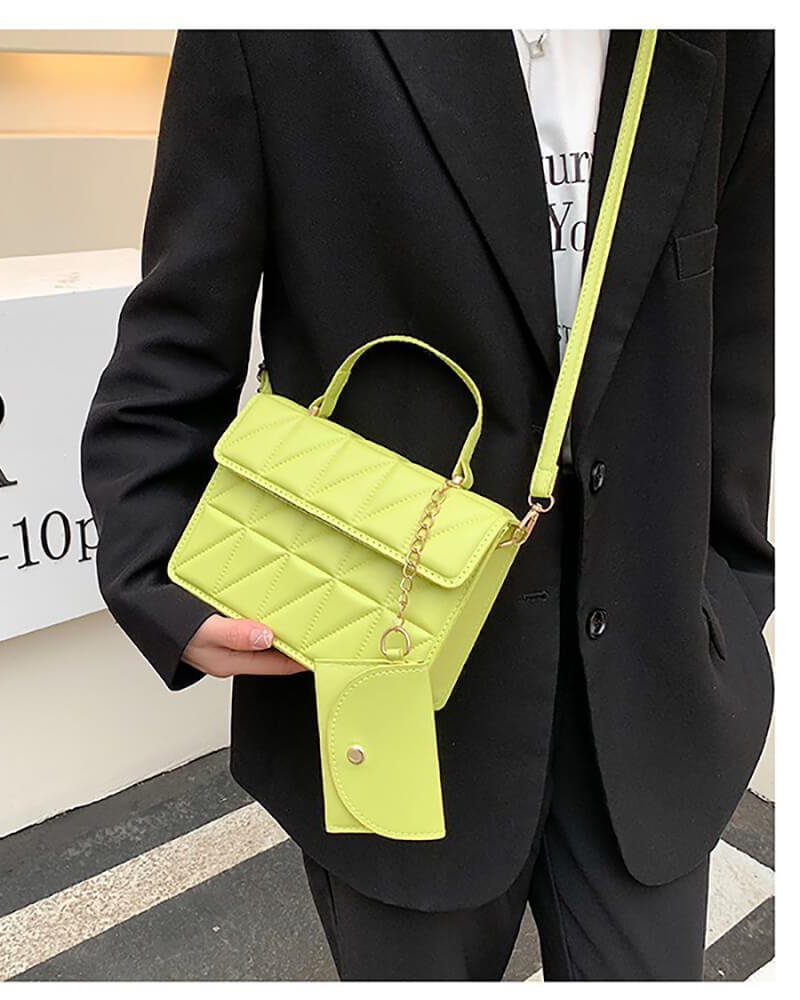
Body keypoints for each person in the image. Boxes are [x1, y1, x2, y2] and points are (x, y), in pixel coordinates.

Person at [80, 29, 774, 980]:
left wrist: (730, 588)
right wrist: (159, 566)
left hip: (653, 692)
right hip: (387, 676)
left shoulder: (729, 34)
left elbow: (741, 327)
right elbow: (179, 326)